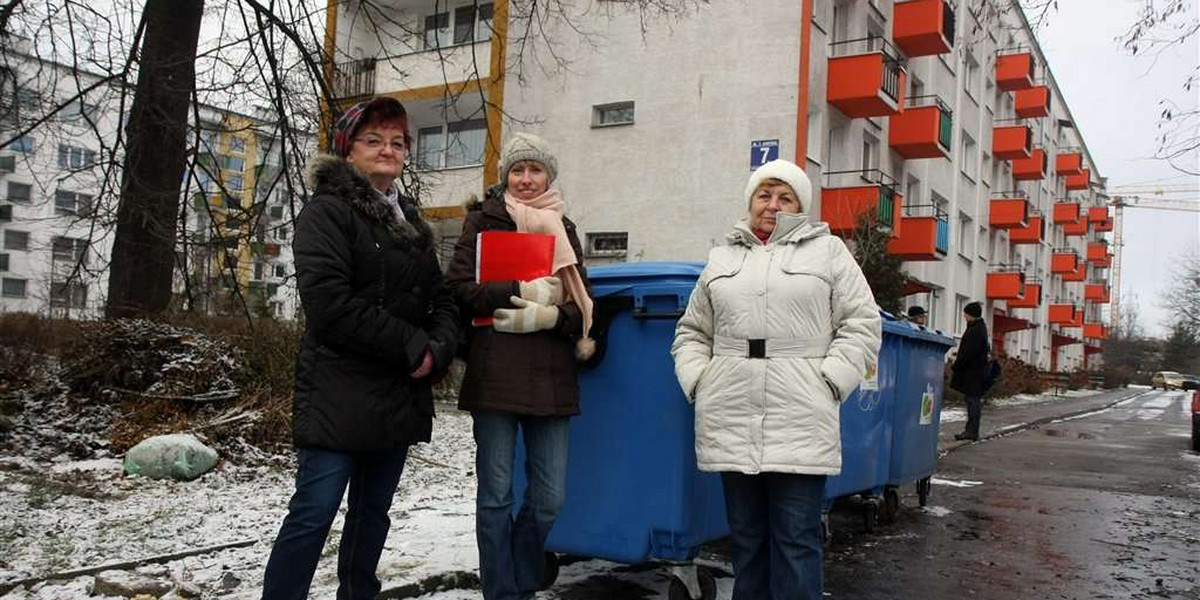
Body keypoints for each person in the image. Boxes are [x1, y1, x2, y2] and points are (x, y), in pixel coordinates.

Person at [261, 97, 458, 600]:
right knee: (314, 512)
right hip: (338, 394)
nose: (387, 150)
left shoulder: (410, 222)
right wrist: (414, 344)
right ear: (349, 150)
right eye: (374, 140)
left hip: (396, 394)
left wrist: (440, 345)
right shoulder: (327, 213)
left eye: (397, 142)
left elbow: (441, 298)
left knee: (372, 515)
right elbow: (331, 305)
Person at [671, 159, 882, 600]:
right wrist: (699, 380)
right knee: (746, 542)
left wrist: (830, 381)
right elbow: (692, 332)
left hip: (801, 414)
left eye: (784, 197)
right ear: (750, 202)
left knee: (796, 540)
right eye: (763, 196)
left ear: (800, 206)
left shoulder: (828, 253)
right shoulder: (723, 257)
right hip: (731, 411)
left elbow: (862, 322)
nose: (772, 205)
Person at [445, 132, 595, 600]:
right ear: (505, 175)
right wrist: (518, 288)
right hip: (496, 372)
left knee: (549, 499)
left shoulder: (563, 228)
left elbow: (585, 309)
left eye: (535, 170)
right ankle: (503, 591)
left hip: (550, 376)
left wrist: (553, 314)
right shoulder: (482, 221)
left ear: (549, 175)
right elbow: (457, 290)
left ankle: (522, 578)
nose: (526, 179)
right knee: (496, 497)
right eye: (517, 170)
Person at [951, 301, 989, 441]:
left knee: (972, 401)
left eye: (966, 313)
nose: (964, 316)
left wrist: (957, 366)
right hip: (976, 372)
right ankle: (971, 430)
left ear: (971, 314)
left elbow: (968, 353)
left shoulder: (975, 330)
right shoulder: (979, 328)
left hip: (973, 373)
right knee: (973, 401)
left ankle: (971, 431)